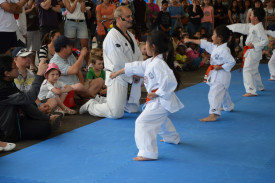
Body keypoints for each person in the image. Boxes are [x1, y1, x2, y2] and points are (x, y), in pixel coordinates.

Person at [110, 30, 183, 161]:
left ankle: (148, 153)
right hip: (157, 100)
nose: (145, 46)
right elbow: (137, 66)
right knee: (161, 121)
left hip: (160, 100)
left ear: (153, 47)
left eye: (146, 44)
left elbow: (170, 81)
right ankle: (172, 138)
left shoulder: (159, 64)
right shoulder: (152, 62)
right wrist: (118, 72)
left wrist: (157, 93)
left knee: (142, 122)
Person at [79, 6, 143, 118]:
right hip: (117, 76)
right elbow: (118, 61)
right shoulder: (112, 37)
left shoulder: (131, 35)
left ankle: (102, 99)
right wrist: (134, 72)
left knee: (132, 109)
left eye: (131, 16)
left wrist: (139, 70)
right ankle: (91, 105)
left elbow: (138, 55)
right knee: (115, 113)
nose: (131, 19)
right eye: (127, 16)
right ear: (118, 18)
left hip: (131, 76)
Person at [0, 55, 61, 142]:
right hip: (7, 130)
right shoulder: (3, 89)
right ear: (7, 73)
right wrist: (39, 75)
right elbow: (29, 98)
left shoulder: (9, 81)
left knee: (35, 105)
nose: (17, 68)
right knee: (45, 127)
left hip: (17, 116)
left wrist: (46, 116)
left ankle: (47, 117)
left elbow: (25, 102)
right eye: (14, 67)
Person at [184, 25, 236, 122]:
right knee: (223, 92)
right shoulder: (216, 46)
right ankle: (228, 106)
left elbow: (232, 62)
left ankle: (213, 114)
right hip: (217, 75)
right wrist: (189, 40)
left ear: (219, 38)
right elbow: (203, 43)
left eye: (213, 34)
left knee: (214, 94)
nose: (211, 36)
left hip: (221, 76)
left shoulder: (224, 50)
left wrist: (220, 67)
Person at [227, 7, 268, 97]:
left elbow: (265, 40)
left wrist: (255, 45)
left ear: (255, 17)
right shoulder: (253, 26)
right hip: (253, 52)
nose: (249, 16)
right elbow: (241, 27)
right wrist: (227, 28)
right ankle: (260, 86)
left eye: (251, 15)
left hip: (253, 51)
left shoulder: (258, 28)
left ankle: (251, 90)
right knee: (254, 70)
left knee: (247, 70)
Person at [13, 47, 57, 113]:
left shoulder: (31, 73)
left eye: (29, 56)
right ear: (15, 59)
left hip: (32, 101)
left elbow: (34, 93)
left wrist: (40, 104)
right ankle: (45, 115)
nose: (28, 59)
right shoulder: (12, 74)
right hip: (20, 104)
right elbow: (20, 96)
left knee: (53, 100)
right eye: (24, 57)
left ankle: (44, 113)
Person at [63, 0, 89, 65]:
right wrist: (76, 1)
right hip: (70, 22)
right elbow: (71, 10)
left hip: (82, 22)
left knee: (85, 45)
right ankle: (70, 64)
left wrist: (83, 2)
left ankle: (88, 65)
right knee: (70, 45)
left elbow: (83, 10)